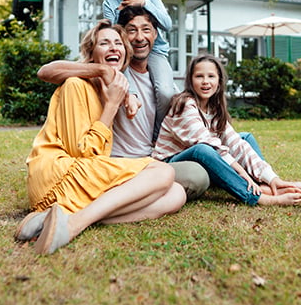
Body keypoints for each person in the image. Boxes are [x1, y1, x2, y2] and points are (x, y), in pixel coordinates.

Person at [15, 20, 186, 255]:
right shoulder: (76, 85)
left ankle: (58, 220)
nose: (114, 47)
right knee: (164, 172)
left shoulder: (108, 89)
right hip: (58, 177)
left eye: (118, 43)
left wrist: (121, 98)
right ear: (92, 53)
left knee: (177, 194)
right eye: (104, 43)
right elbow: (82, 153)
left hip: (80, 177)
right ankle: (73, 226)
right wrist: (112, 104)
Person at [37, 6, 210, 201]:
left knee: (198, 169)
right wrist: (101, 71)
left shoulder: (161, 82)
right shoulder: (98, 80)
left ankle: (139, 194)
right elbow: (46, 72)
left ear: (155, 35)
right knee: (196, 177)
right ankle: (130, 195)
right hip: (112, 164)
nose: (139, 38)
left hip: (149, 160)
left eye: (146, 30)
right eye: (131, 31)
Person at [153, 54, 301, 206]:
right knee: (203, 149)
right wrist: (243, 174)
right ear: (190, 80)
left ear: (219, 80)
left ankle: (270, 185)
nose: (205, 81)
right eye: (199, 76)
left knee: (244, 138)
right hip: (172, 163)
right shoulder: (185, 105)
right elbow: (211, 147)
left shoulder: (214, 107)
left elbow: (235, 142)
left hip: (203, 160)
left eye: (211, 76)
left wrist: (273, 177)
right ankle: (258, 196)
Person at [103, 0, 174, 139]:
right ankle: (131, 101)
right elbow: (114, 35)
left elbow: (167, 24)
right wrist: (121, 11)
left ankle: (158, 135)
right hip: (127, 52)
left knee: (167, 93)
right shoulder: (109, 4)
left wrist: (143, 4)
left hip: (155, 51)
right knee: (127, 88)